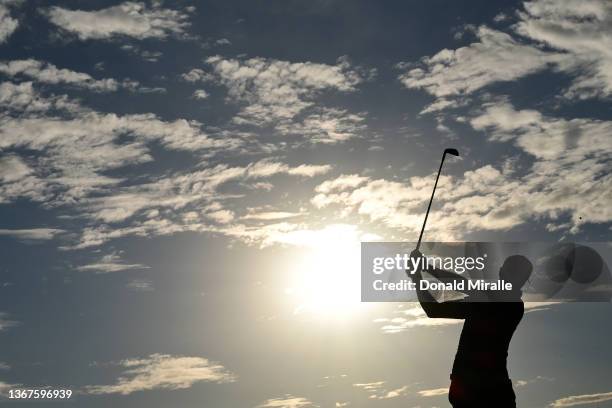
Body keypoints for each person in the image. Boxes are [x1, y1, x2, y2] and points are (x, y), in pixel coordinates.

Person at [408, 250, 533, 408]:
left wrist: (421, 272)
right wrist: (418, 276)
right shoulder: (503, 304)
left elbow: (457, 290)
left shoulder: (502, 303)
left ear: (502, 272)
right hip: (490, 390)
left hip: (472, 389)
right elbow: (434, 310)